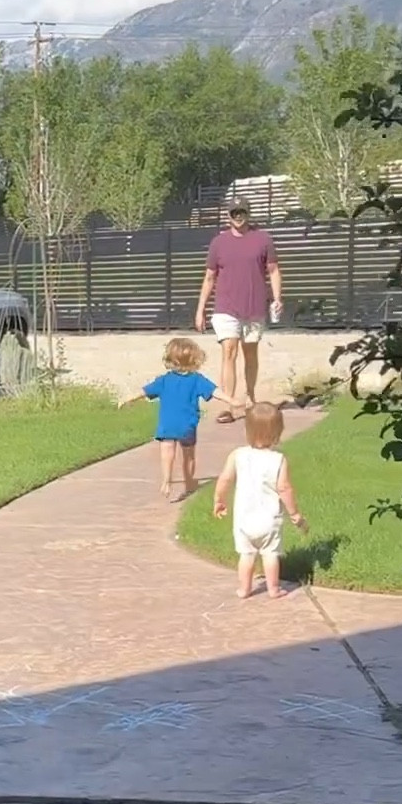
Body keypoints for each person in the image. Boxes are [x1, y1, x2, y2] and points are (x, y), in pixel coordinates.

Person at [120, 336, 239, 501]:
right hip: (187, 424)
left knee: (167, 453)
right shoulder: (197, 379)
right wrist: (231, 400)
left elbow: (145, 391)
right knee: (189, 455)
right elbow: (214, 392)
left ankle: (167, 480)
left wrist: (128, 399)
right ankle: (189, 483)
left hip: (167, 424)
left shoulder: (163, 380)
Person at [195, 200, 282, 422]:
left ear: (248, 214)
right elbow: (209, 277)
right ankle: (229, 404)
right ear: (228, 216)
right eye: (235, 213)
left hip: (254, 307)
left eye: (242, 212)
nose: (238, 216)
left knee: (250, 352)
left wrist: (277, 298)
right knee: (229, 352)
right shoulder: (218, 243)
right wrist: (200, 309)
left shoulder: (262, 239)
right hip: (226, 307)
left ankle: (251, 397)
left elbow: (273, 271)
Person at [212, 401, 307, 600]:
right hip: (269, 520)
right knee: (270, 554)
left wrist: (219, 499)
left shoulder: (237, 455)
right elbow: (284, 488)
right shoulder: (278, 459)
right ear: (277, 433)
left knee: (246, 555)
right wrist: (294, 514)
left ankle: (244, 589)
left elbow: (225, 479)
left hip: (244, 520)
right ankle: (273, 589)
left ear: (247, 429)